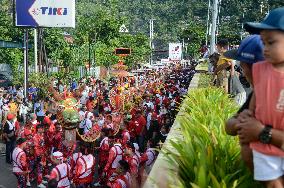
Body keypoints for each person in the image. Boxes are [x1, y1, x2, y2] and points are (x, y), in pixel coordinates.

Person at [234, 7, 284, 187]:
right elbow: (256, 100)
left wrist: (261, 131)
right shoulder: (263, 73)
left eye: (271, 43)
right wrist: (248, 117)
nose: (265, 50)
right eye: (264, 43)